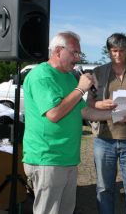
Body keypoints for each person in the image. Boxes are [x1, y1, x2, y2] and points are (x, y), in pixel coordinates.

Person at [23, 31, 111, 214]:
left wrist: (116, 115)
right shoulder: (42, 76)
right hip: (47, 158)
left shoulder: (69, 77)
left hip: (67, 158)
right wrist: (80, 88)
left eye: (79, 54)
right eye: (74, 53)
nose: (78, 58)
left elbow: (84, 111)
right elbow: (54, 114)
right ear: (57, 51)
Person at [87, 33, 126, 214]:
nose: (118, 55)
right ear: (108, 51)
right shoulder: (98, 72)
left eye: (121, 51)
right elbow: (88, 103)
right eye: (114, 51)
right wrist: (99, 104)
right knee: (104, 188)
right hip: (104, 139)